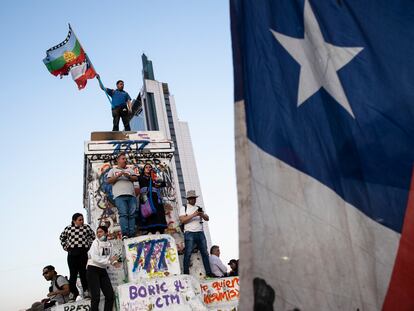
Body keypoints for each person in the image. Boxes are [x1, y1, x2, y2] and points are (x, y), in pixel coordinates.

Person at [59, 213, 95, 301]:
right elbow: (61, 238)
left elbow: (93, 237)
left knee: (83, 273)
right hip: (72, 253)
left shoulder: (86, 227)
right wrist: (65, 247)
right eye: (80, 220)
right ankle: (72, 294)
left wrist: (87, 245)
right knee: (73, 274)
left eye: (82, 219)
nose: (82, 221)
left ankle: (86, 292)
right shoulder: (68, 228)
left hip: (82, 252)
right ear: (74, 220)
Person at [179, 190, 214, 277]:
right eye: (191, 198)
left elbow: (207, 218)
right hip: (189, 232)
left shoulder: (198, 207)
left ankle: (209, 272)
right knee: (188, 253)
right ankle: (186, 274)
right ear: (188, 199)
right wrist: (194, 215)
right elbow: (182, 220)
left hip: (200, 232)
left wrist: (201, 214)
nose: (193, 200)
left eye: (194, 198)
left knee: (205, 253)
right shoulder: (184, 207)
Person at [87, 225, 121, 311]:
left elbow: (112, 257)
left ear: (106, 233)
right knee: (96, 297)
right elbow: (95, 258)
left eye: (101, 232)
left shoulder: (109, 244)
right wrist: (109, 262)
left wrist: (115, 262)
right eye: (97, 232)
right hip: (93, 269)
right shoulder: (95, 243)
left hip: (102, 270)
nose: (98, 234)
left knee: (110, 295)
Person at [107, 152, 138, 239]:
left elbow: (135, 178)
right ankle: (125, 234)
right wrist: (118, 176)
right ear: (118, 160)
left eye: (125, 159)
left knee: (132, 215)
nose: (125, 160)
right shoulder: (112, 170)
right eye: (123, 159)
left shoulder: (130, 170)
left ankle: (132, 234)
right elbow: (109, 181)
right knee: (123, 214)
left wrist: (128, 176)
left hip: (131, 195)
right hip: (119, 196)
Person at [137, 163, 167, 234]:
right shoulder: (140, 177)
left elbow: (164, 183)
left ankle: (158, 229)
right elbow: (133, 178)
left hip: (155, 197)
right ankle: (149, 230)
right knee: (147, 211)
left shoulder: (155, 177)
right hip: (145, 197)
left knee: (156, 212)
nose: (148, 168)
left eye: (150, 167)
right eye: (146, 167)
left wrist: (158, 184)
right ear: (143, 170)